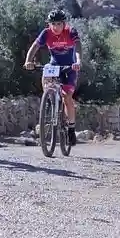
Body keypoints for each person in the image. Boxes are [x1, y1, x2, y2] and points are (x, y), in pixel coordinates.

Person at [23, 9, 82, 146]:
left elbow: (78, 47)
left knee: (67, 97)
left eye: (59, 24)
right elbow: (35, 46)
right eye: (53, 24)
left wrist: (78, 61)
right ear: (49, 25)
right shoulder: (46, 33)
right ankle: (49, 98)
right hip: (54, 64)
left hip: (70, 66)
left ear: (64, 24)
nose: (55, 27)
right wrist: (28, 61)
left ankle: (71, 129)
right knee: (45, 74)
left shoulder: (71, 31)